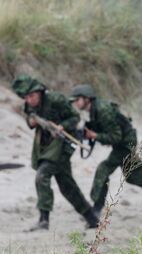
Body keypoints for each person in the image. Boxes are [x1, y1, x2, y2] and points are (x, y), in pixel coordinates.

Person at [11, 75, 99, 231]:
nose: (29, 100)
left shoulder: (56, 100)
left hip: (64, 144)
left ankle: (43, 220)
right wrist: (32, 121)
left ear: (39, 92)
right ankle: (92, 218)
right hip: (46, 145)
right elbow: (30, 120)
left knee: (42, 176)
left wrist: (61, 126)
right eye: (26, 97)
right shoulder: (29, 105)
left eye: (32, 96)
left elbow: (75, 117)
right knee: (67, 186)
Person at [69, 85, 142, 214]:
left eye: (77, 99)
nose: (75, 103)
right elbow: (108, 130)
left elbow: (115, 136)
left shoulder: (102, 109)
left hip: (125, 142)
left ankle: (96, 209)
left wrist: (94, 135)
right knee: (135, 175)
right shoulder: (95, 109)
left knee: (104, 169)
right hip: (124, 141)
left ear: (87, 99)